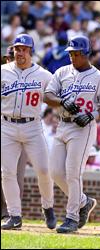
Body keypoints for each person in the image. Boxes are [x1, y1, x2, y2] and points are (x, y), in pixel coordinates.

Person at [44, 35, 100, 233]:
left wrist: (92, 115)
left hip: (83, 128)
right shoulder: (62, 71)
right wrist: (62, 101)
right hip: (63, 125)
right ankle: (84, 201)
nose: (73, 57)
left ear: (86, 54)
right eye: (71, 53)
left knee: (73, 173)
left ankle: (72, 218)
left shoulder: (99, 77)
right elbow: (47, 96)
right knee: (56, 172)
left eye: (76, 53)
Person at [1, 34, 56, 230]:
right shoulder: (3, 71)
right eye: (17, 49)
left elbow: (56, 96)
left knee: (43, 169)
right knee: (7, 172)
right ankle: (14, 215)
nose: (20, 52)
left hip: (32, 125)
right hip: (6, 125)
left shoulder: (43, 75)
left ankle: (48, 207)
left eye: (24, 49)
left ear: (31, 51)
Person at [1, 45, 28, 221]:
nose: (13, 59)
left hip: (24, 130)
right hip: (4, 127)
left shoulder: (29, 77)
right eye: (11, 56)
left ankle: (12, 213)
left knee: (17, 174)